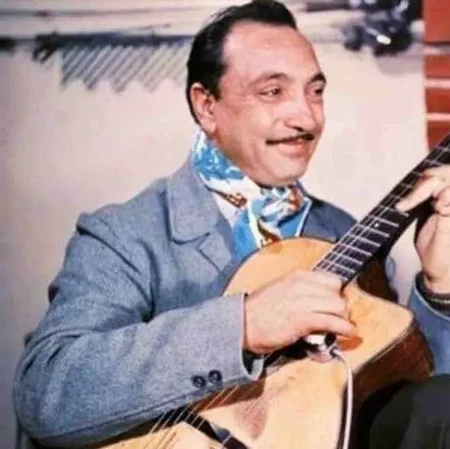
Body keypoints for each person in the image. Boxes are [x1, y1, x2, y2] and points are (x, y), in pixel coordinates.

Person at [13, 1, 450, 448]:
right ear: (207, 106)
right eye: (273, 92)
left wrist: (438, 290)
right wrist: (243, 325)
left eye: (315, 91)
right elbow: (46, 392)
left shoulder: (342, 231)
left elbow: (411, 404)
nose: (306, 117)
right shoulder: (126, 235)